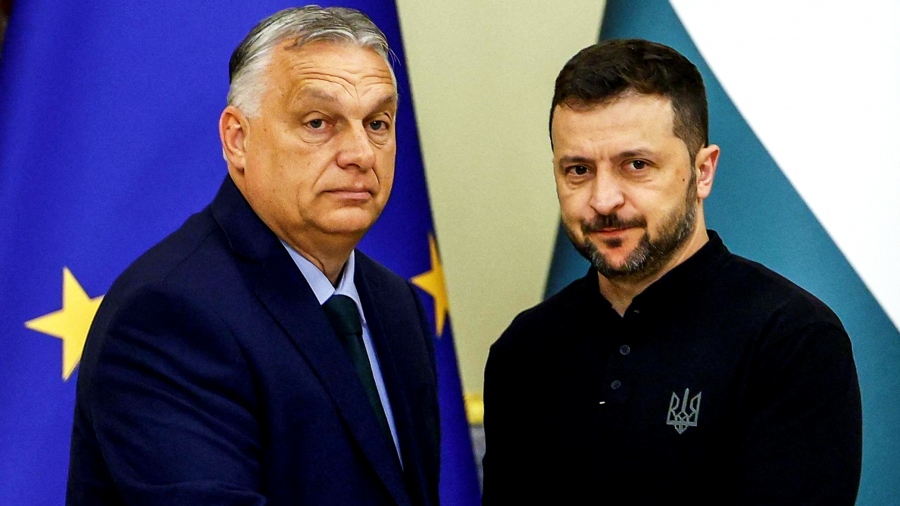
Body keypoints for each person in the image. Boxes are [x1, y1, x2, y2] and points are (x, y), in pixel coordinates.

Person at [67, 6, 440, 505]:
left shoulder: (396, 304)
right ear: (237, 139)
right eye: (318, 122)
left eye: (377, 123)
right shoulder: (169, 314)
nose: (361, 153)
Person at [482, 39, 862, 505]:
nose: (604, 200)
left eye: (636, 165)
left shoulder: (792, 340)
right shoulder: (524, 351)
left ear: (703, 172)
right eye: (578, 170)